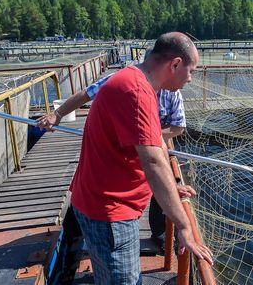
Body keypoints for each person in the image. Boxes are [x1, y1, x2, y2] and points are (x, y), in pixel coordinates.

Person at [39, 32, 213, 285]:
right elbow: (152, 163)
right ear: (174, 64)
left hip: (101, 206)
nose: (190, 78)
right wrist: (184, 227)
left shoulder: (133, 80)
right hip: (110, 214)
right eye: (191, 70)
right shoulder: (138, 92)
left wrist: (172, 188)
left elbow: (153, 148)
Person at [38, 75, 187, 251]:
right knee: (86, 205)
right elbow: (86, 94)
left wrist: (147, 137)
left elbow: (178, 126)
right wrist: (58, 113)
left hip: (148, 154)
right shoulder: (122, 80)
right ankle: (71, 246)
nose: (189, 78)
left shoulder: (172, 92)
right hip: (112, 158)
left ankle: (159, 234)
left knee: (159, 186)